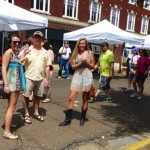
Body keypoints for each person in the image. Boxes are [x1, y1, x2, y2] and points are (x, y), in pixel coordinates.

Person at [59, 38, 95, 126]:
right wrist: (81, 63)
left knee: (85, 98)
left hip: (87, 75)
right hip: (77, 76)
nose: (81, 45)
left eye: (83, 43)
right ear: (78, 44)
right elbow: (73, 67)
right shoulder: (75, 53)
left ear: (86, 44)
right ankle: (68, 120)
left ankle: (82, 117)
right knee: (71, 97)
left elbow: (92, 66)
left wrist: (86, 62)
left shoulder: (90, 53)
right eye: (80, 43)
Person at [20, 31, 51, 123]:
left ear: (42, 39)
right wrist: (24, 54)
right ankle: (26, 114)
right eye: (35, 37)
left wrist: (47, 79)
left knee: (37, 96)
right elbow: (20, 62)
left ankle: (36, 113)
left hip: (40, 78)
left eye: (39, 37)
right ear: (33, 39)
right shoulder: (27, 50)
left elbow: (47, 66)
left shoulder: (45, 52)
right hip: (29, 77)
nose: (37, 39)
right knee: (26, 96)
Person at [2, 34, 26, 139]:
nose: (17, 44)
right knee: (12, 107)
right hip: (11, 85)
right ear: (10, 43)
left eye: (18, 42)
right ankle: (7, 132)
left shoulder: (14, 53)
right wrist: (6, 84)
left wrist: (24, 54)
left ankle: (7, 124)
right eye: (14, 42)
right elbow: (3, 68)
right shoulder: (8, 52)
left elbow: (17, 63)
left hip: (15, 84)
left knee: (11, 106)